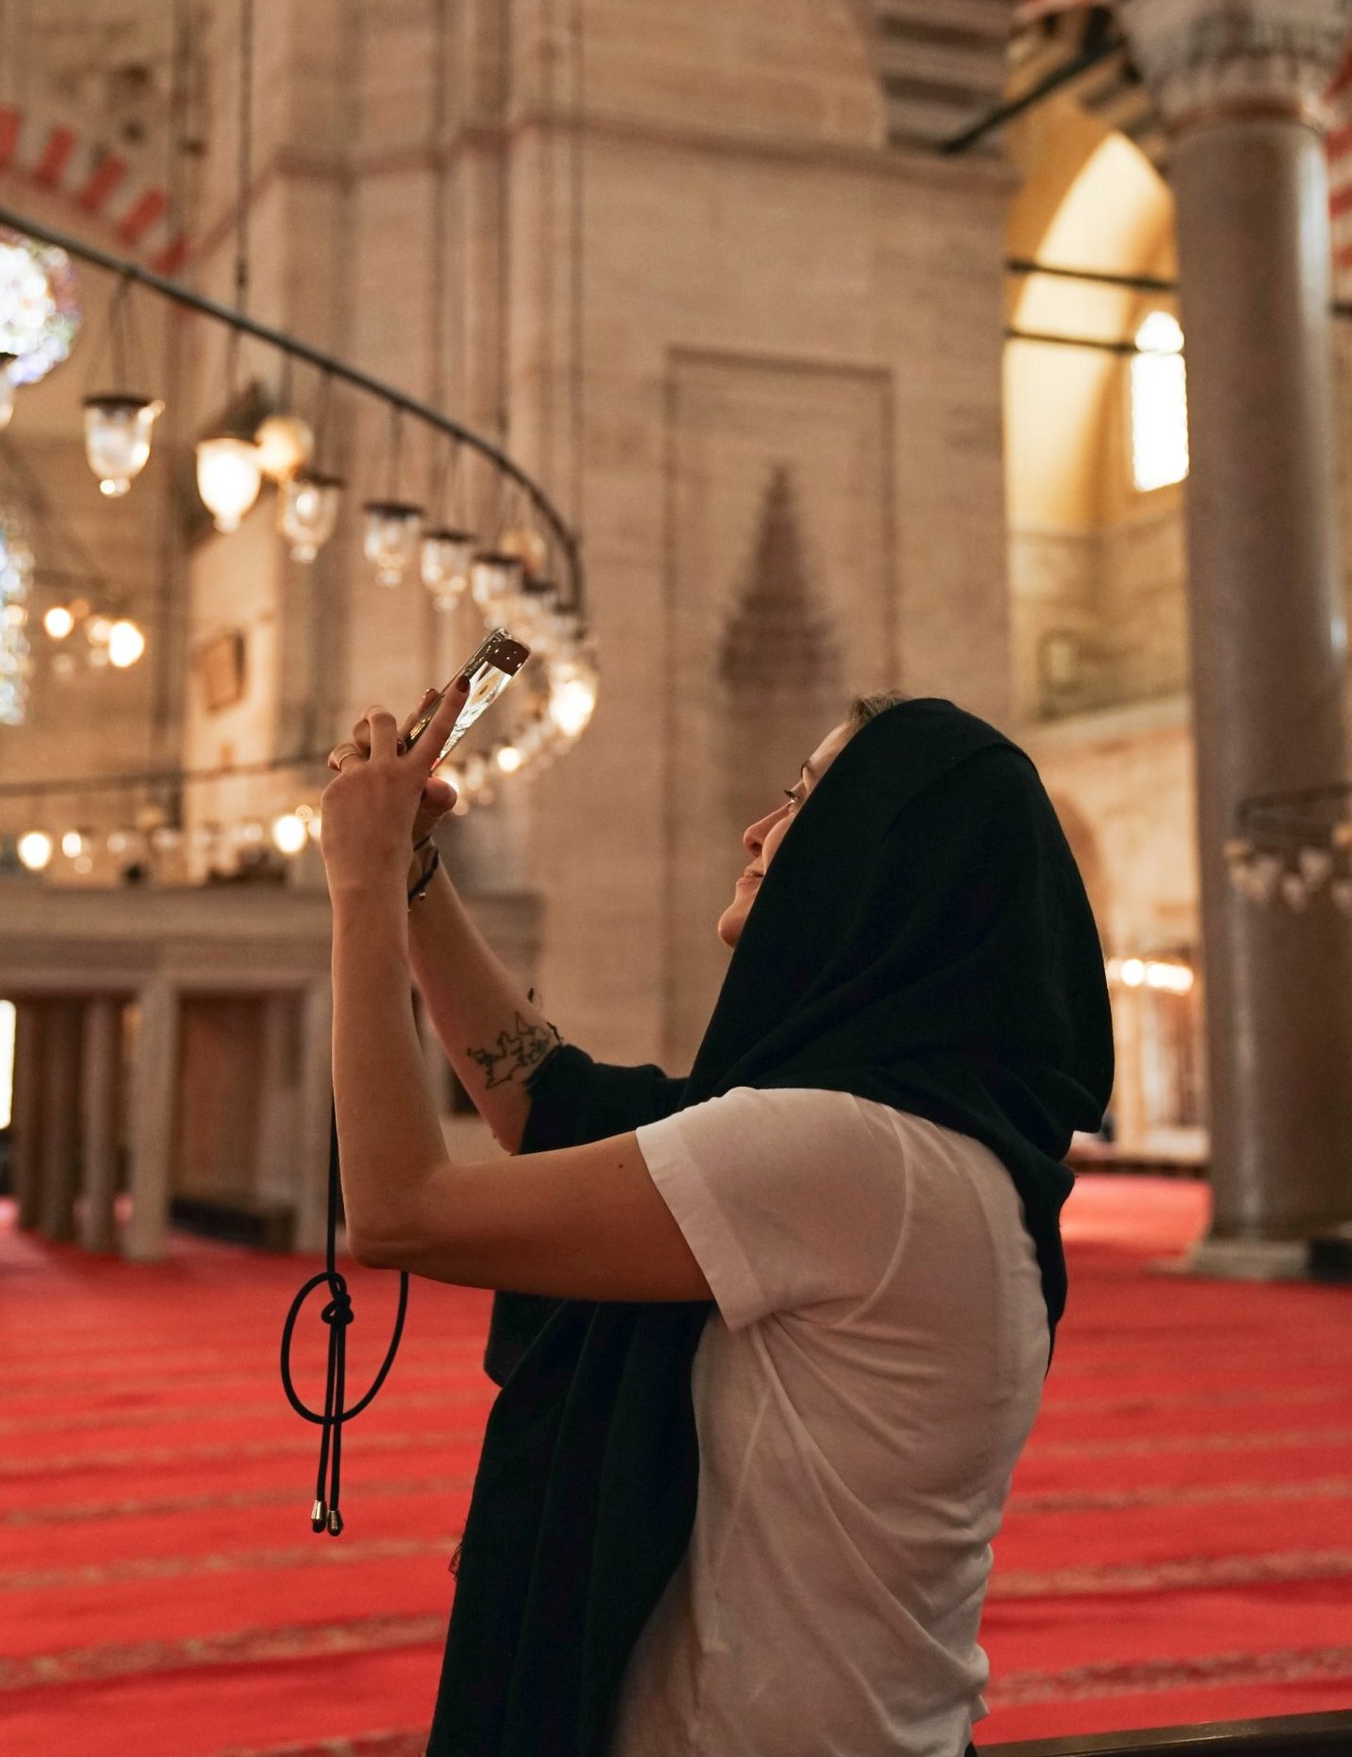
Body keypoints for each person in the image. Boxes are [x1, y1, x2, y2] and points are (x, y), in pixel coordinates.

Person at [321, 683, 1114, 1757]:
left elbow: (400, 1211)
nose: (757, 827)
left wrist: (360, 887)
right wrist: (416, 873)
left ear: (880, 855)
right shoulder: (921, 1145)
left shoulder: (850, 1155)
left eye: (804, 798)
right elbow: (551, 1100)